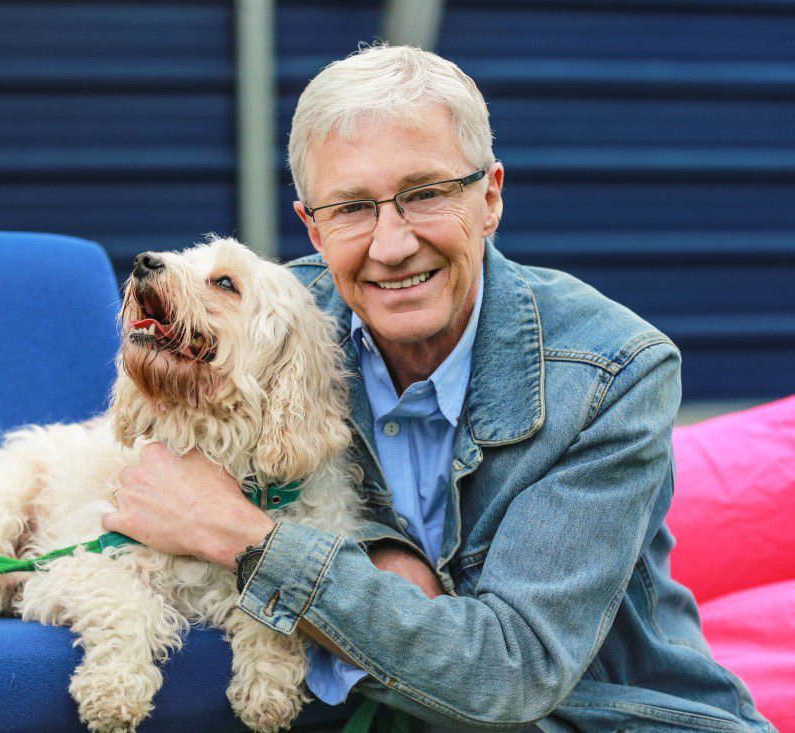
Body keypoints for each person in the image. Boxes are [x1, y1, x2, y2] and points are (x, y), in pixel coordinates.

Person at [102, 45, 774, 731]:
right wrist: (376, 549)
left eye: (425, 194)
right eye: (353, 207)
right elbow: (143, 461)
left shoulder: (612, 373)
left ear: (489, 197)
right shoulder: (268, 322)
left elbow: (510, 672)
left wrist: (250, 537)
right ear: (312, 225)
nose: (392, 245)